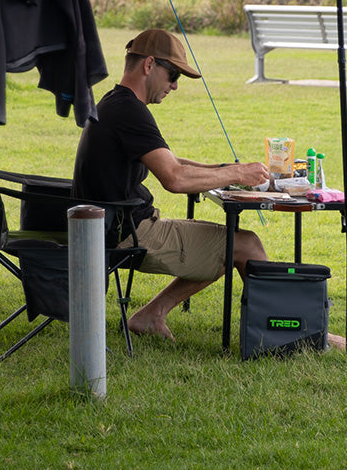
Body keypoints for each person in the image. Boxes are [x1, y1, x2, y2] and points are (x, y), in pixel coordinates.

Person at [72, 28, 270, 341]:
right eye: (173, 74)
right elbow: (174, 178)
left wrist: (225, 169)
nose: (175, 86)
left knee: (228, 241)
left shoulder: (115, 102)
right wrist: (237, 175)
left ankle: (152, 315)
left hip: (111, 225)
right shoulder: (129, 111)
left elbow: (171, 161)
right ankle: (287, 331)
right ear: (148, 65)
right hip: (128, 233)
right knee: (245, 245)